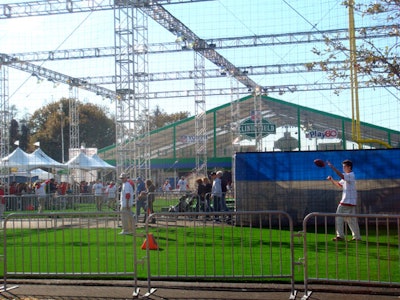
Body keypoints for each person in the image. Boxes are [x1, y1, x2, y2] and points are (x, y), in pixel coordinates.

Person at [327, 159, 361, 242]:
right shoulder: (347, 176)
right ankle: (356, 237)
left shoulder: (350, 175)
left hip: (346, 201)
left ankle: (340, 236)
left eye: (344, 166)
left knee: (338, 217)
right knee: (351, 220)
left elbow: (342, 176)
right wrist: (331, 180)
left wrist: (332, 167)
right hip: (350, 202)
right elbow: (339, 185)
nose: (343, 168)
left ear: (349, 167)